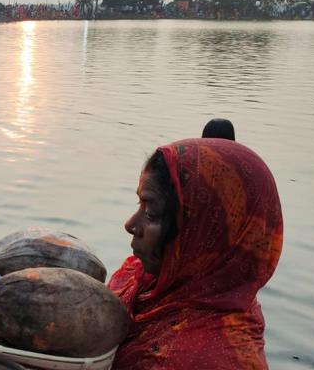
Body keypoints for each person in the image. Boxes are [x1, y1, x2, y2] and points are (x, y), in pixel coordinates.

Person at [108, 138, 283, 369]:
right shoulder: (149, 280)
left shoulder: (205, 358)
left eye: (150, 212)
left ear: (201, 233)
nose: (130, 224)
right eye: (139, 204)